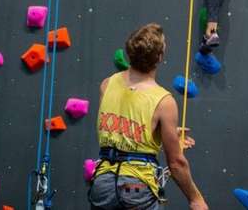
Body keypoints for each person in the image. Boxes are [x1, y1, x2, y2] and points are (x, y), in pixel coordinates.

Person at [88, 23, 208, 210]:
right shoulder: (164, 101)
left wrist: (164, 132)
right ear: (159, 57)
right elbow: (176, 163)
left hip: (102, 184)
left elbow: (120, 127)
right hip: (136, 188)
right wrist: (195, 198)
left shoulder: (107, 84)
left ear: (130, 53)